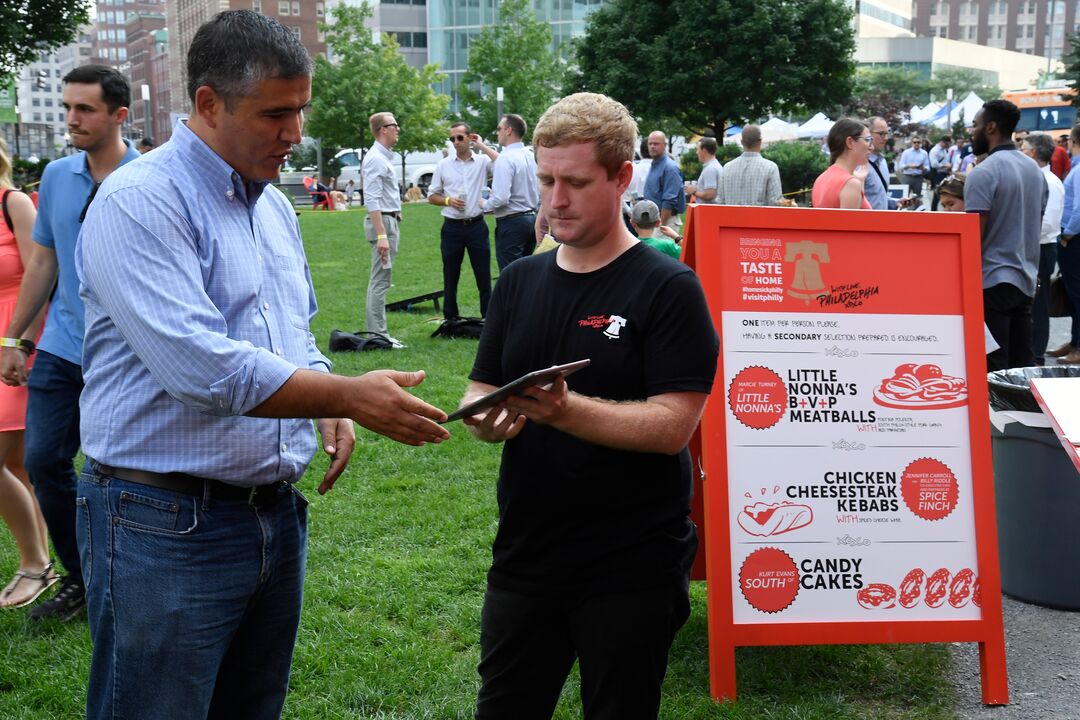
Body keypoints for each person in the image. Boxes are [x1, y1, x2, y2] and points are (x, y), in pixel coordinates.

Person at [75, 11, 449, 718]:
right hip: (161, 522)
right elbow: (201, 368)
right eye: (276, 113)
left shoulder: (273, 207)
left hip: (272, 519)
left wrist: (329, 398)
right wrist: (344, 392)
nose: (296, 133)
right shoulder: (139, 201)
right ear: (209, 104)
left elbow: (291, 337)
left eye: (300, 109)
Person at [459, 91, 718, 720]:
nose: (555, 200)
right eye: (546, 179)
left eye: (575, 182)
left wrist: (563, 409)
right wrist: (488, 417)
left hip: (632, 562)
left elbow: (672, 426)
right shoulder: (520, 280)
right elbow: (479, 386)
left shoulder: (669, 288)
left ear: (623, 176)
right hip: (527, 551)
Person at [0, 64, 142, 622]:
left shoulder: (150, 175)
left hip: (129, 353)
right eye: (67, 108)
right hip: (61, 346)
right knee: (44, 460)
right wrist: (14, 337)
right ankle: (80, 577)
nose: (72, 119)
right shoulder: (57, 177)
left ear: (118, 116)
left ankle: (128, 574)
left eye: (84, 109)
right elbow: (44, 262)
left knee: (118, 470)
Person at [0, 137, 56, 609]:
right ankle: (41, 566)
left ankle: (35, 563)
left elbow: (42, 270)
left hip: (13, 348)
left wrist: (19, 343)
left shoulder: (12, 201)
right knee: (18, 465)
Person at [964, 99, 1047, 371]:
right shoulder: (1034, 170)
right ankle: (1019, 414)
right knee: (1021, 365)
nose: (971, 131)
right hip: (1025, 279)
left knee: (992, 367)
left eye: (975, 125)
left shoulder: (983, 173)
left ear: (990, 127)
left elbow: (972, 238)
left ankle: (993, 416)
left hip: (991, 282)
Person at [427, 121, 493, 319]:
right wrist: (448, 200)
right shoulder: (443, 165)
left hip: (476, 226)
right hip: (452, 227)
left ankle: (488, 318)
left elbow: (502, 162)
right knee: (450, 275)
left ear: (470, 137)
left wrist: (481, 145)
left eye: (459, 137)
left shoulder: (482, 162)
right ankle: (450, 318)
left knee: (483, 276)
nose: (455, 142)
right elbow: (432, 196)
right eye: (452, 138)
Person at [362, 110, 405, 348]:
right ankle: (377, 335)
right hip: (384, 224)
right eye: (394, 125)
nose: (398, 129)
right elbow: (372, 200)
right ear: (382, 130)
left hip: (390, 222)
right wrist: (381, 235)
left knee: (383, 279)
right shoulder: (375, 159)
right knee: (380, 280)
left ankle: (379, 333)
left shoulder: (384, 157)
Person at [1022, 133, 1065, 365]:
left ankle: (1037, 355)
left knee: (1038, 305)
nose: (1020, 151)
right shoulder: (1035, 178)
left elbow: (1046, 223)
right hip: (1032, 246)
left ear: (1033, 153)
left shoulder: (1049, 182)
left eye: (1024, 147)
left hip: (1041, 248)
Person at [476, 114, 539, 270]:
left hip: (512, 223)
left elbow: (501, 198)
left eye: (499, 129)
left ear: (508, 130)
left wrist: (485, 204)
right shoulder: (530, 155)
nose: (497, 132)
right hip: (531, 219)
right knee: (527, 273)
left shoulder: (505, 158)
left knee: (510, 275)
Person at [1054, 124, 1080, 363]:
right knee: (1072, 293)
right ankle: (1074, 341)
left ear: (1072, 141)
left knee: (1076, 292)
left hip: (1074, 239)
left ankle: (1079, 347)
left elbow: (1079, 208)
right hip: (1071, 237)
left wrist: (1069, 233)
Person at [811, 117, 871, 210]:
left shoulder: (821, 178)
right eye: (867, 140)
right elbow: (852, 224)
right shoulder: (850, 184)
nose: (871, 147)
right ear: (850, 142)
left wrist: (860, 181)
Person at [716, 125, 783, 206]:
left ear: (741, 142)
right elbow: (774, 202)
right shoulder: (770, 168)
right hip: (759, 218)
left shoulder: (727, 168)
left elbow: (720, 202)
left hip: (731, 218)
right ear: (760, 141)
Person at [643, 130, 686, 228]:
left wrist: (660, 225)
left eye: (656, 144)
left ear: (665, 145)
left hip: (665, 222)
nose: (652, 146)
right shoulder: (655, 164)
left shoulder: (670, 168)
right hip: (654, 220)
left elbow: (669, 200)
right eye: (650, 144)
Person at [864, 116, 898, 210]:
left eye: (887, 133)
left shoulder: (882, 161)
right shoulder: (859, 164)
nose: (886, 138)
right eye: (881, 134)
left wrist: (895, 202)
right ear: (867, 134)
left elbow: (878, 197)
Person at [684, 136, 721, 204]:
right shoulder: (714, 166)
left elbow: (709, 195)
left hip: (708, 212)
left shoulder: (710, 169)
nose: (696, 152)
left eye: (697, 149)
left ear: (704, 150)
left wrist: (694, 191)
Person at [928, 136, 953, 211]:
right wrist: (945, 165)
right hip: (937, 175)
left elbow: (945, 160)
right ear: (942, 142)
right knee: (937, 194)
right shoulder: (935, 151)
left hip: (944, 174)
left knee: (943, 193)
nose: (947, 146)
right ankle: (933, 211)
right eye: (947, 144)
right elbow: (934, 164)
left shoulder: (944, 150)